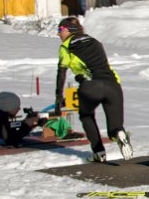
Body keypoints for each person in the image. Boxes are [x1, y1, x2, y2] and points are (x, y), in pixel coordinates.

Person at [54, 17, 133, 163]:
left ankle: (99, 153)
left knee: (86, 116)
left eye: (60, 30)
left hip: (91, 86)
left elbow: (61, 72)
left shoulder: (66, 47)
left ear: (68, 30)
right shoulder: (95, 41)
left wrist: (58, 96)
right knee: (115, 127)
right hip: (113, 85)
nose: (58, 34)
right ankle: (119, 134)